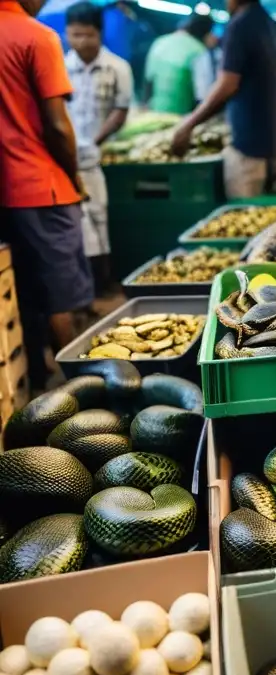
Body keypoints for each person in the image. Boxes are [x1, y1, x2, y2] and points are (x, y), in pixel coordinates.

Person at [0, 0, 94, 393]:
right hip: (40, 184)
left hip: (4, 190)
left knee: (21, 287)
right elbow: (57, 126)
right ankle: (82, 393)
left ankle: (36, 379)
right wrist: (74, 176)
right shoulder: (36, 36)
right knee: (61, 294)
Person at [171, 0, 276, 199]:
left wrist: (188, 125)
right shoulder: (274, 27)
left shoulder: (239, 26)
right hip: (275, 147)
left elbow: (228, 84)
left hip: (248, 149)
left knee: (248, 221)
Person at [64, 1, 132, 293]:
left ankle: (103, 284)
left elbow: (120, 110)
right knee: (78, 226)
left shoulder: (118, 67)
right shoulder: (61, 68)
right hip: (66, 157)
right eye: (75, 35)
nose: (81, 42)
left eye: (87, 35)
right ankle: (87, 287)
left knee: (100, 219)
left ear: (100, 33)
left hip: (104, 156)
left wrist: (94, 143)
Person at [144, 14, 215, 115]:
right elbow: (203, 94)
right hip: (182, 117)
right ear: (206, 33)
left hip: (155, 114)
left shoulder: (159, 42)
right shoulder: (199, 50)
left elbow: (148, 81)